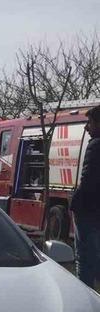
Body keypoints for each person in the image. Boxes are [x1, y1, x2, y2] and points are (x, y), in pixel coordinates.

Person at [71, 105, 100, 288]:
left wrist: (75, 202)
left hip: (89, 211)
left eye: (90, 122)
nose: (86, 127)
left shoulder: (96, 145)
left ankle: (86, 300)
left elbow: (88, 181)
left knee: (85, 259)